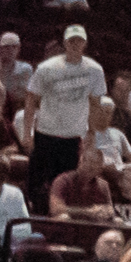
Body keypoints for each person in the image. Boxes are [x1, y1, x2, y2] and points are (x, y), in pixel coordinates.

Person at [21, 25, 108, 213]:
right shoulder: (47, 68)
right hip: (46, 133)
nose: (75, 45)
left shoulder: (95, 70)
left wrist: (91, 135)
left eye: (79, 41)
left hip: (72, 137)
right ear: (65, 43)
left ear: (85, 44)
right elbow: (30, 100)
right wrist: (27, 134)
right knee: (38, 186)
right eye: (71, 41)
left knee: (65, 186)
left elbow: (95, 104)